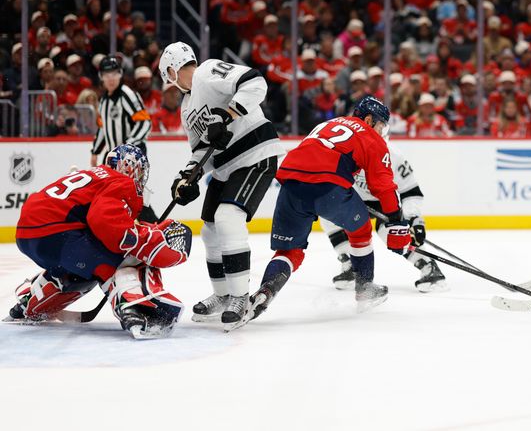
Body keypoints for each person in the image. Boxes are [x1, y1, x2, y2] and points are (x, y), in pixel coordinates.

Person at [243, 96, 412, 328]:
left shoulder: (328, 124)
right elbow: (382, 184)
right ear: (369, 119)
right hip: (328, 186)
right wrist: (396, 221)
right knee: (361, 230)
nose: (381, 131)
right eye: (381, 125)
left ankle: (266, 290)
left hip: (291, 182)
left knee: (289, 251)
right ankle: (364, 289)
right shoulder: (372, 137)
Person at [159, 41, 285, 326]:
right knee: (210, 230)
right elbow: (201, 149)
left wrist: (227, 114)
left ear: (171, 69)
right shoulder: (186, 107)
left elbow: (255, 83)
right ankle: (224, 295)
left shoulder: (207, 71)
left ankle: (241, 298)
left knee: (228, 218)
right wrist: (187, 177)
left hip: (255, 153)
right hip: (226, 167)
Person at [7, 145, 191, 339]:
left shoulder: (95, 175)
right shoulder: (121, 181)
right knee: (128, 259)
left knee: (79, 272)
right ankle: (138, 309)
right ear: (131, 167)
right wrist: (143, 240)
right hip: (60, 234)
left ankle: (30, 304)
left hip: (29, 235)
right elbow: (104, 220)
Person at [321, 140, 446, 293]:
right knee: (328, 214)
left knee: (391, 233)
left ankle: (428, 265)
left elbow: (411, 191)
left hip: (385, 202)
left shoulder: (395, 156)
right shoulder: (345, 150)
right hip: (353, 199)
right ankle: (350, 263)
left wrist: (414, 220)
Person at [90, 56, 151, 166]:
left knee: (126, 183)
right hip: (112, 155)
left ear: (120, 74)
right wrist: (95, 152)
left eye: (114, 74)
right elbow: (102, 128)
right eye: (106, 75)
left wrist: (128, 147)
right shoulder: (103, 101)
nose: (111, 79)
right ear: (101, 76)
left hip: (131, 156)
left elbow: (145, 122)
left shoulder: (127, 94)